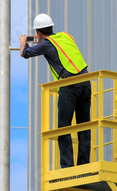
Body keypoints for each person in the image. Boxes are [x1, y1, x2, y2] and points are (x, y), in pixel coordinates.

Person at [19, 13, 91, 168]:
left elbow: (25, 53)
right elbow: (56, 47)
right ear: (51, 27)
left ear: (38, 32)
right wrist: (42, 41)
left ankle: (67, 167)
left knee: (64, 128)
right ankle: (84, 165)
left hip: (69, 85)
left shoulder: (45, 44)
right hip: (86, 82)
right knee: (84, 127)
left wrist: (23, 42)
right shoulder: (66, 36)